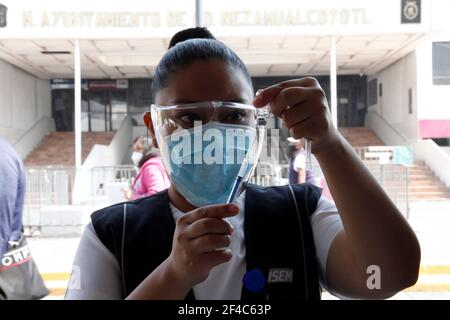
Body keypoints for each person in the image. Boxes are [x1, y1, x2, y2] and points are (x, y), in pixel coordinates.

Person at [65, 27, 420, 300]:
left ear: (255, 123)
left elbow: (388, 273)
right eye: (189, 116)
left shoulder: (300, 214)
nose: (212, 132)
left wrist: (330, 144)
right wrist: (174, 275)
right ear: (154, 129)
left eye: (233, 116)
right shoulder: (111, 234)